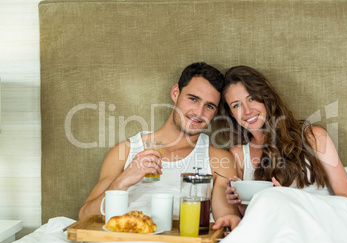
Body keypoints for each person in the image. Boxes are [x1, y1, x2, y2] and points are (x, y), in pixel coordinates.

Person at [79, 62, 241, 230]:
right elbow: (85, 215)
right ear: (175, 93)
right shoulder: (126, 151)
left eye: (209, 106)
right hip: (123, 238)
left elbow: (226, 216)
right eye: (193, 99)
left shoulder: (219, 159)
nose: (199, 113)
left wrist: (230, 220)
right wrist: (123, 181)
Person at [219, 65, 347, 217]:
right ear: (231, 114)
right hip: (275, 232)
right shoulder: (238, 154)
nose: (247, 111)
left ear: (265, 97)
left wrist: (287, 199)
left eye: (251, 98)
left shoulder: (313, 137)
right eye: (236, 105)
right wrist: (240, 204)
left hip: (320, 225)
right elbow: (252, 217)